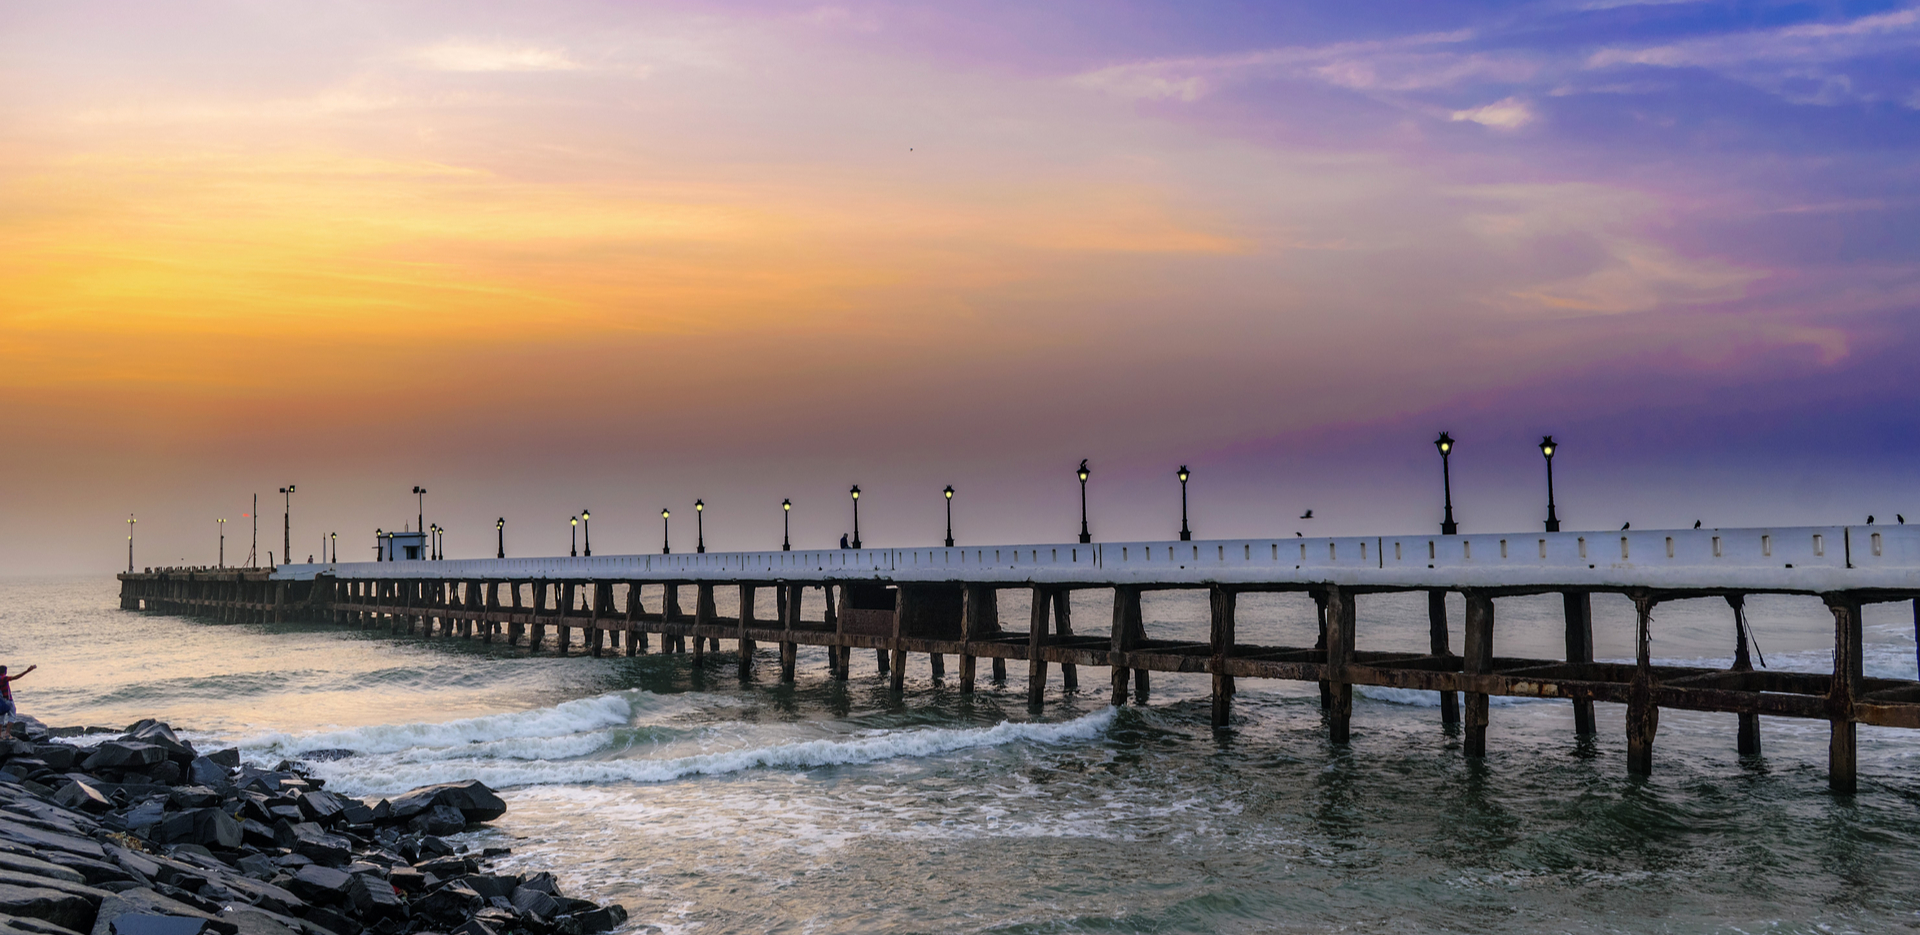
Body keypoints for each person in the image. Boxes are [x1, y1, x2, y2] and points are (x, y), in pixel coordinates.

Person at [0, 664, 35, 739]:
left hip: (0, 701)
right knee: (12, 716)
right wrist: (27, 671)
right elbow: (15, 677)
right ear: (5, 672)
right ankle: (7, 734)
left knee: (1, 718)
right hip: (7, 700)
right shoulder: (3, 678)